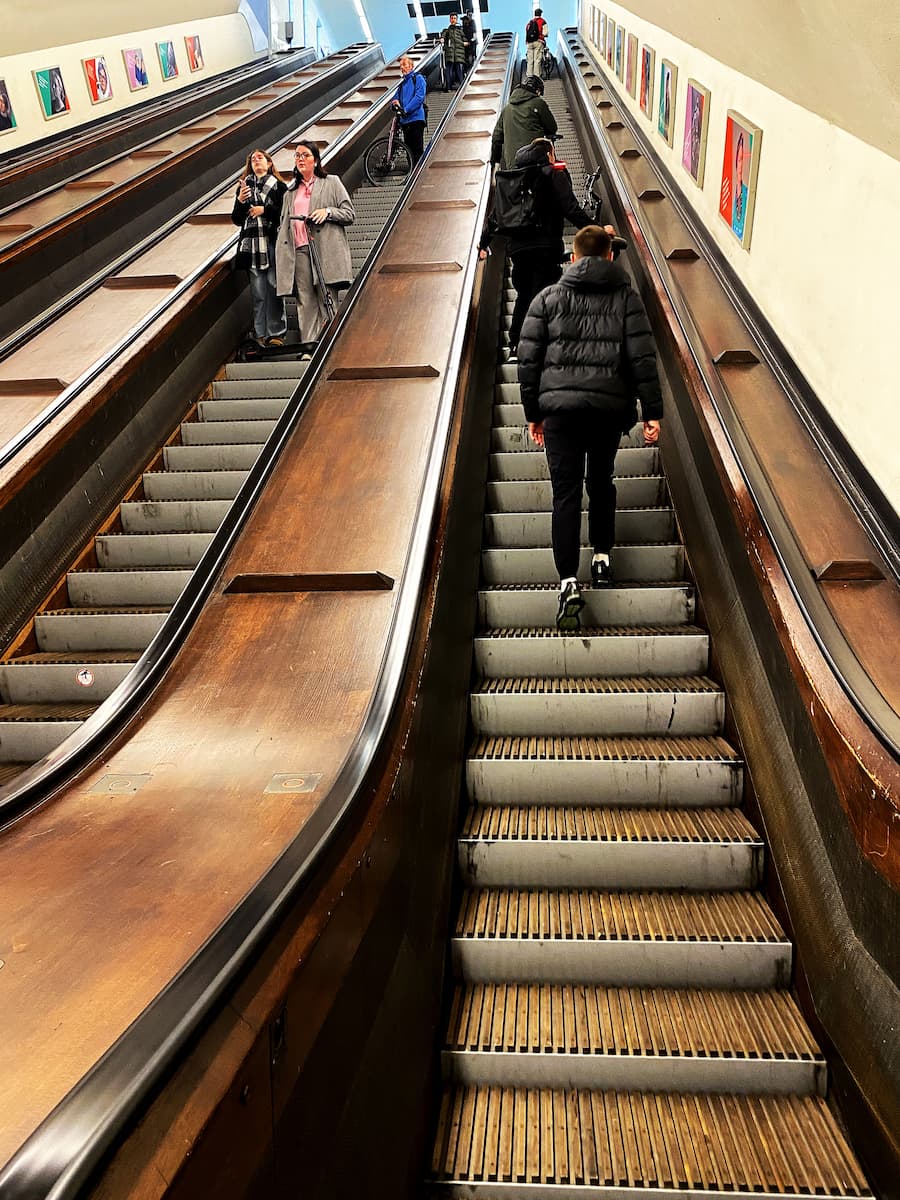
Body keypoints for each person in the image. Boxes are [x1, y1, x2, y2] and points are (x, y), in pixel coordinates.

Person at [517, 224, 663, 630]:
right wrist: (652, 411)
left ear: (574, 257)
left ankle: (567, 582)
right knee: (601, 481)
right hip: (606, 410)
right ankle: (601, 559)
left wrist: (533, 412)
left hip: (560, 413)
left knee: (565, 493)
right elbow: (642, 358)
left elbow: (528, 361)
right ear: (610, 256)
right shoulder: (626, 298)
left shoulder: (547, 298)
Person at [479, 137, 593, 356]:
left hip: (519, 251)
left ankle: (515, 345)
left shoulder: (512, 180)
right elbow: (571, 209)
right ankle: (541, 347)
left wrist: (484, 243)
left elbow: (496, 217)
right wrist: (595, 229)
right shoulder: (552, 174)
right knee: (544, 296)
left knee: (524, 296)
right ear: (549, 154)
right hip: (546, 246)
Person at [275, 141, 354, 355]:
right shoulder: (290, 193)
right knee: (305, 301)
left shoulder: (331, 182)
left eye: (305, 155)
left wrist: (327, 212)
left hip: (324, 250)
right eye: (297, 155)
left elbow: (349, 213)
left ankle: (333, 345)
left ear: (315, 160)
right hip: (299, 251)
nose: (300, 158)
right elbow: (284, 225)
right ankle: (309, 347)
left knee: (326, 296)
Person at [232, 148, 287, 347]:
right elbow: (237, 219)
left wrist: (264, 210)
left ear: (269, 163)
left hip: (271, 241)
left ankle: (276, 332)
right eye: (253, 159)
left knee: (272, 286)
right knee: (258, 291)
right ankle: (260, 333)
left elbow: (284, 212)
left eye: (260, 158)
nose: (256, 161)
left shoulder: (279, 187)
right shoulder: (244, 188)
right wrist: (240, 201)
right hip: (251, 245)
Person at [490, 74, 557, 169]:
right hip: (536, 161)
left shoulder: (507, 109)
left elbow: (496, 138)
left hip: (513, 164)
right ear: (537, 91)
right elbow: (552, 128)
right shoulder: (538, 103)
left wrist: (495, 161)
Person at [391, 54, 427, 167]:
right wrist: (395, 103)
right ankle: (412, 175)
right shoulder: (401, 85)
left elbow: (419, 97)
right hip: (405, 122)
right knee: (409, 152)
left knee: (417, 149)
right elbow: (394, 98)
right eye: (401, 66)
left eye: (405, 65)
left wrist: (406, 109)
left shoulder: (418, 78)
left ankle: (419, 175)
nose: (402, 68)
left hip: (416, 119)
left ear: (411, 66)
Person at [442, 14, 467, 91]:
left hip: (459, 52)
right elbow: (443, 36)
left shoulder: (460, 31)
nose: (453, 19)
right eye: (452, 18)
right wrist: (442, 39)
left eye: (455, 18)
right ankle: (448, 87)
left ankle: (462, 86)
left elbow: (464, 38)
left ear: (456, 20)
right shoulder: (446, 30)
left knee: (460, 69)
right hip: (450, 52)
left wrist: (465, 42)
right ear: (450, 20)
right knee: (449, 70)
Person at [525, 8, 548, 79]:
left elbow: (527, 31)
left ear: (534, 14)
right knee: (537, 59)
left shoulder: (530, 22)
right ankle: (536, 76)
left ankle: (529, 75)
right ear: (541, 14)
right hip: (539, 42)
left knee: (530, 59)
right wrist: (544, 36)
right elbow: (545, 33)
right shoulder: (542, 21)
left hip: (529, 43)